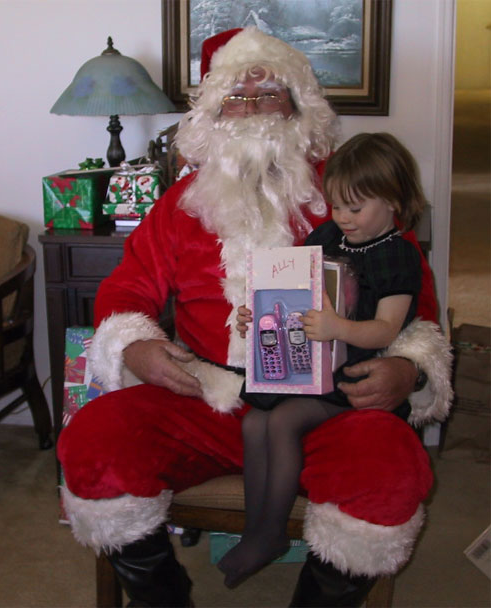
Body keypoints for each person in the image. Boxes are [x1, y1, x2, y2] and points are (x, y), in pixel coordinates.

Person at [57, 28, 453, 608]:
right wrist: (136, 347)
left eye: (269, 96)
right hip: (207, 397)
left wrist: (407, 369)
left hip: (329, 402)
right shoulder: (178, 207)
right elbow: (127, 290)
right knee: (95, 442)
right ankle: (164, 599)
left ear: (298, 107)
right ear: (212, 113)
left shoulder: (351, 194)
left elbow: (415, 302)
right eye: (236, 99)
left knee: (388, 470)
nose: (252, 110)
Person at [218, 132, 427, 588]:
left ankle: (271, 534)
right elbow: (292, 287)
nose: (343, 218)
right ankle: (256, 528)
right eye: (336, 206)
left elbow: (386, 329)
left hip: (352, 377)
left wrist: (339, 329)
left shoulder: (398, 256)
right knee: (254, 422)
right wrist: (256, 312)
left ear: (393, 200)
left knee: (283, 421)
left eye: (355, 207)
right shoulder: (329, 235)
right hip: (307, 364)